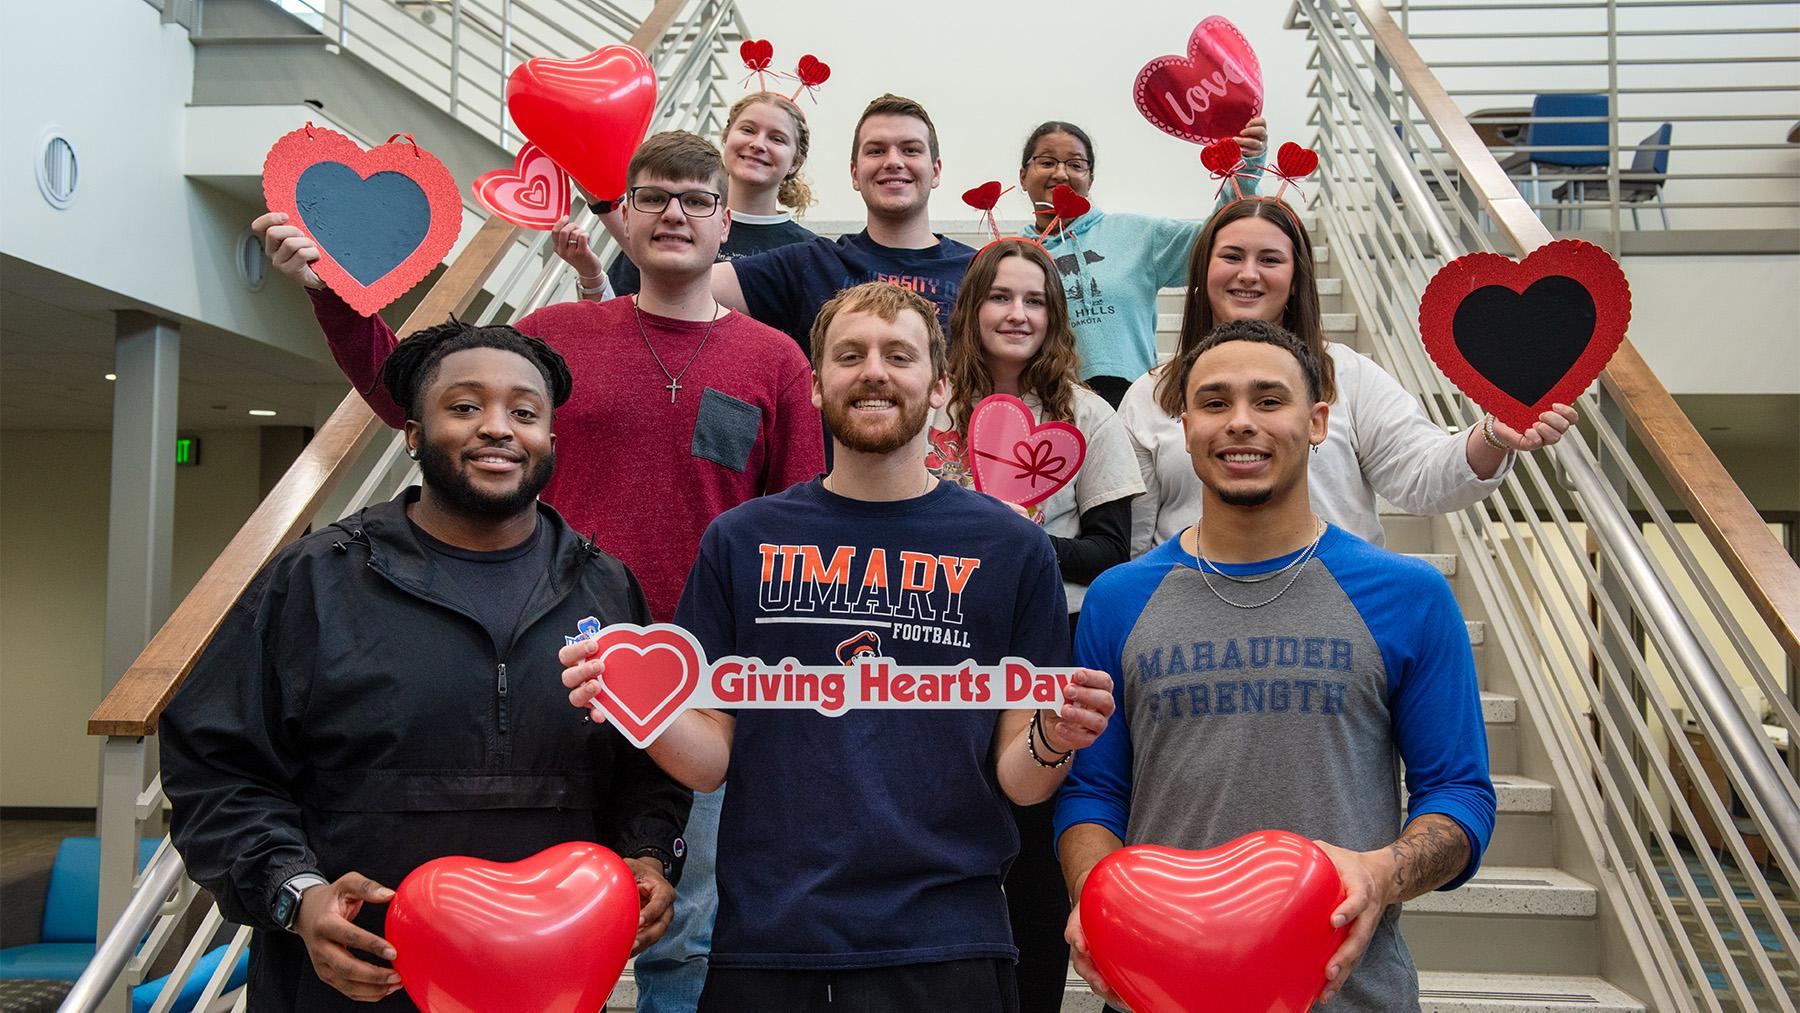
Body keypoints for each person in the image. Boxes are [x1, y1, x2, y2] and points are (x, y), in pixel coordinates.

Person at [561, 282, 1117, 1013]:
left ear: (941, 384)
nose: (874, 371)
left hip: (948, 935)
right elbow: (710, 760)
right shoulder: (742, 539)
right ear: (818, 387)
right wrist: (637, 705)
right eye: (849, 356)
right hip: (771, 936)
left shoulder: (1011, 547)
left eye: (899, 355)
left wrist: (1055, 735)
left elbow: (1024, 780)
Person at [160, 321, 692, 1012]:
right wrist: (296, 893)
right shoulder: (316, 580)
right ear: (412, 434)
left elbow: (649, 765)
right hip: (354, 979)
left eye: (524, 412)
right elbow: (216, 764)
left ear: (550, 442)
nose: (497, 428)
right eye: (465, 406)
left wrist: (647, 856)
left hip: (553, 978)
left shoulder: (606, 588)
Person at [1055, 318, 1498, 1013]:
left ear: (1318, 420)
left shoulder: (1409, 597)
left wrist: (1380, 873)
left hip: (1352, 998)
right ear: (1184, 423)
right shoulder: (1118, 600)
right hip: (1155, 990)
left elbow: (1462, 797)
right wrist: (1094, 894)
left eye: (1269, 400)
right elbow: (1091, 794)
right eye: (1213, 402)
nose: (1239, 423)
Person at [252, 129, 823, 623]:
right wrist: (333, 295)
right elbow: (414, 395)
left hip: (707, 653)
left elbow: (800, 528)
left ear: (724, 224)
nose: (674, 214)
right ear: (625, 215)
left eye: (696, 201)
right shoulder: (552, 335)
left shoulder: (778, 362)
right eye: (653, 198)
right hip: (547, 634)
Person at [924, 237, 1143, 1013]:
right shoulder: (929, 403)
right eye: (1000, 297)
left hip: (1051, 654)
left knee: (1038, 857)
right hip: (939, 657)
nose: (1017, 314)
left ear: (1054, 316)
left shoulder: (1086, 413)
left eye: (1034, 300)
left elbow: (1110, 550)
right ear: (971, 306)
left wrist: (1012, 534)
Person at [1120, 196, 1578, 555]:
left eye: (1271, 260)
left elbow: (1421, 478)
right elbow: (1135, 540)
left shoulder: (1350, 376)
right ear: (1202, 271)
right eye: (1232, 256)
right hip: (1194, 616)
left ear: (1297, 278)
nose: (1249, 274)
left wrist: (1494, 433)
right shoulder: (1151, 394)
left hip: (1340, 611)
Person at [1015, 118, 1267, 407]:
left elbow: (1216, 240)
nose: (1061, 173)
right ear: (1023, 176)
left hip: (1133, 400)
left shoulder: (1137, 234)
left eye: (1075, 164)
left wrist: (1245, 167)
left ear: (1090, 179)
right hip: (1047, 404)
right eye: (1047, 162)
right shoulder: (1015, 255)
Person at [710, 93, 976, 355]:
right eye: (876, 150)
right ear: (854, 174)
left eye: (910, 150)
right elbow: (686, 285)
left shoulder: (979, 272)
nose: (893, 161)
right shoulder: (809, 264)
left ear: (936, 171)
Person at [553, 91, 818, 299]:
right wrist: (591, 275)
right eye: (748, 129)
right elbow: (617, 313)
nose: (757, 144)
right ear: (726, 137)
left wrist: (605, 208)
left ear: (796, 161)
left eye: (777, 139)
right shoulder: (663, 220)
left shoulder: (808, 252)